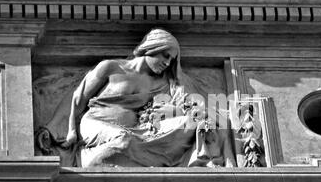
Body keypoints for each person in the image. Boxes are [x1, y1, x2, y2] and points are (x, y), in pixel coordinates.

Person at [36, 29, 236, 168]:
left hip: (139, 133)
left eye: (171, 60)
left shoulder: (163, 83)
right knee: (123, 140)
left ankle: (123, 160)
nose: (167, 63)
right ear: (152, 47)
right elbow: (78, 98)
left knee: (189, 123)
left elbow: (190, 103)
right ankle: (93, 158)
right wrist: (61, 129)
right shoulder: (111, 67)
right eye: (165, 55)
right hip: (96, 125)